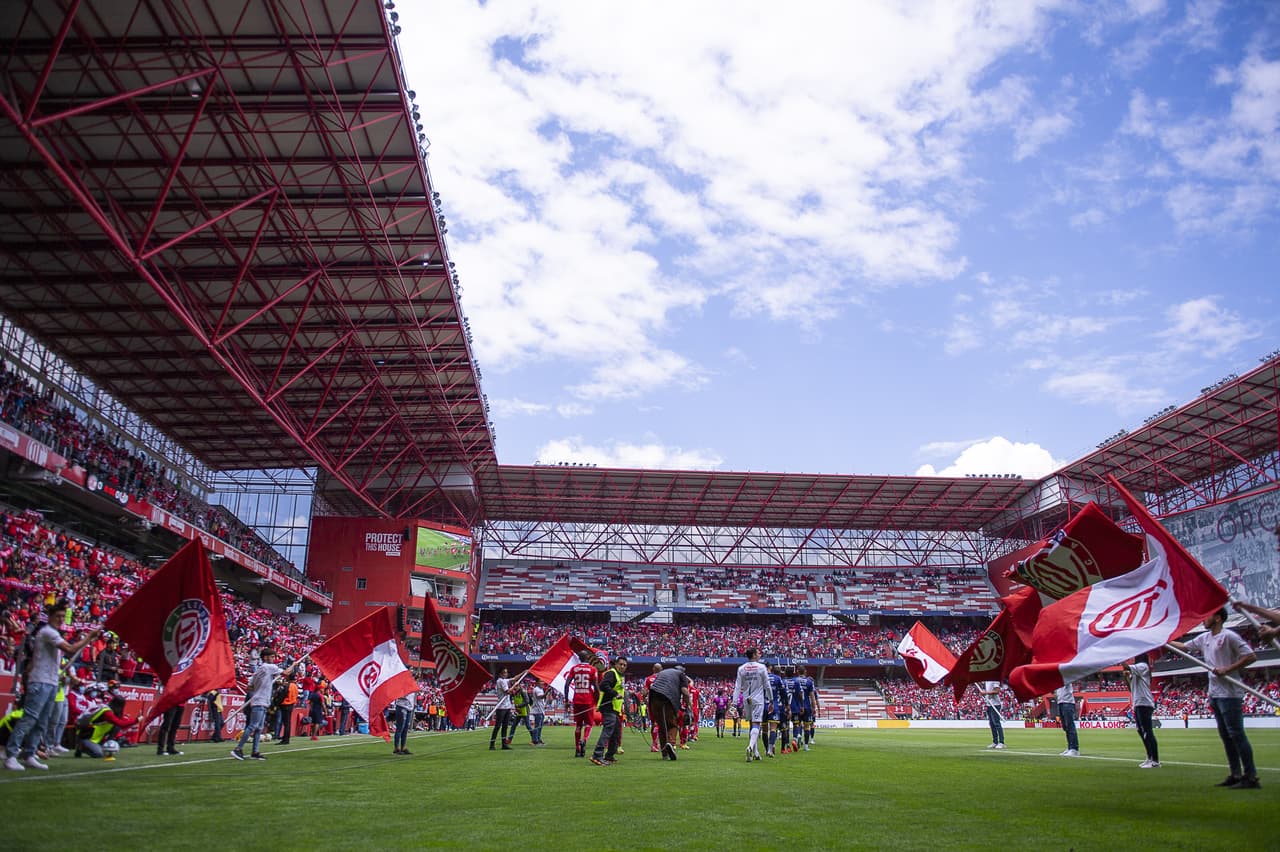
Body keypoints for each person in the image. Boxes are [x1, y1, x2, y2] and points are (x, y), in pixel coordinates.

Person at [5, 600, 102, 772]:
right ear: (49, 617)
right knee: (29, 719)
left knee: (42, 722)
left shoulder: (53, 633)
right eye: (57, 616)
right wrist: (88, 637)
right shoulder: (48, 632)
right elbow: (70, 649)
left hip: (51, 682)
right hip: (40, 681)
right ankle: (11, 754)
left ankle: (29, 754)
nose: (61, 619)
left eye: (63, 616)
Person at [1169, 607, 1259, 788]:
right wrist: (1165, 641)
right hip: (1215, 693)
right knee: (1226, 736)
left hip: (1230, 693)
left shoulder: (1229, 637)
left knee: (1236, 734)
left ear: (1218, 618)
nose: (1204, 619)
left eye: (1208, 615)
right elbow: (1185, 647)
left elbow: (1251, 656)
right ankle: (1235, 774)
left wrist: (1227, 669)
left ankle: (1250, 776)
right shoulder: (1204, 638)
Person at [232, 650, 300, 761]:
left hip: (259, 700)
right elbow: (286, 673)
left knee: (259, 728)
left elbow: (250, 687)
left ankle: (255, 751)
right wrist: (293, 664)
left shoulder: (259, 670)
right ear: (265, 657)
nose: (273, 658)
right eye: (272, 656)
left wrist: (265, 684)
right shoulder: (269, 667)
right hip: (260, 701)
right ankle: (238, 749)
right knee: (253, 726)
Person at [590, 656, 628, 766]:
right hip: (608, 707)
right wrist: (615, 694)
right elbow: (603, 685)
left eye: (624, 665)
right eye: (620, 664)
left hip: (615, 708)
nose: (622, 666)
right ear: (616, 664)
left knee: (616, 732)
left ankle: (609, 756)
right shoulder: (611, 673)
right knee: (608, 731)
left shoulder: (620, 676)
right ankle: (597, 755)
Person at [1122, 653, 1159, 768]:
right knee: (1141, 730)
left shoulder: (1143, 666)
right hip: (1138, 702)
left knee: (1147, 731)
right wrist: (1126, 678)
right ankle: (1150, 757)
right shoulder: (1138, 670)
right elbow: (1131, 689)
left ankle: (1154, 760)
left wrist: (1120, 658)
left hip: (1144, 702)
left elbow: (1126, 667)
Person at [647, 664, 691, 760]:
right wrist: (688, 707)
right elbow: (685, 692)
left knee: (662, 726)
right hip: (667, 698)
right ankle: (671, 744)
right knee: (672, 724)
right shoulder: (681, 675)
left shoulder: (663, 672)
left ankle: (664, 754)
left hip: (653, 698)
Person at [733, 647, 768, 762]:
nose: (760, 654)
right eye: (758, 653)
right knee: (756, 724)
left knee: (752, 725)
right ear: (753, 655)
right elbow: (767, 685)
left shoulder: (741, 668)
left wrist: (734, 702)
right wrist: (771, 699)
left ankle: (756, 753)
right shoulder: (761, 667)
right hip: (758, 699)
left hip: (746, 699)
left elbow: (738, 687)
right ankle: (750, 747)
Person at [75, 694, 136, 760]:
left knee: (116, 727)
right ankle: (81, 747)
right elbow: (121, 723)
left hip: (93, 736)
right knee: (99, 754)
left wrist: (131, 720)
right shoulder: (107, 712)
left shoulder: (106, 708)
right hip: (85, 737)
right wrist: (136, 720)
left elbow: (121, 722)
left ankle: (105, 744)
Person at [567, 657, 599, 758]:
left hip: (577, 699)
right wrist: (597, 700)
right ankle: (584, 740)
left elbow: (567, 684)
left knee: (578, 725)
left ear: (579, 658)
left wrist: (566, 700)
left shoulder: (574, 669)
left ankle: (577, 749)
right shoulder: (592, 669)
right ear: (588, 658)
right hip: (588, 699)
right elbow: (596, 686)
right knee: (589, 723)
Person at [488, 667, 515, 751]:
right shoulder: (500, 681)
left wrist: (524, 673)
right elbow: (508, 691)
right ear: (500, 674)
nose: (505, 674)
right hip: (501, 707)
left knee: (505, 726)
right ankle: (492, 744)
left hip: (507, 706)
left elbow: (514, 678)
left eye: (506, 672)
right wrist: (514, 686)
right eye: (504, 672)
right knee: (498, 726)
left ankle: (504, 744)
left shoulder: (505, 680)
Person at [1055, 681, 1079, 757]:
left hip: (1068, 702)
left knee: (1070, 726)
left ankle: (1074, 748)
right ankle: (1070, 747)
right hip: (1060, 702)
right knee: (1066, 727)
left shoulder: (1065, 678)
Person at [979, 681, 1006, 750]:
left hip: (995, 704)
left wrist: (986, 693)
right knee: (992, 724)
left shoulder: (994, 680)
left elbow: (997, 691)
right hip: (989, 704)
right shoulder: (987, 681)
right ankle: (995, 742)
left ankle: (1001, 742)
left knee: (996, 723)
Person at [392, 690, 414, 755]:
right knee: (400, 727)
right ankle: (396, 748)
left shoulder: (412, 686)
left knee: (406, 728)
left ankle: (403, 747)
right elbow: (397, 695)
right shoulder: (402, 686)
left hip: (409, 707)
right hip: (402, 706)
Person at [527, 681, 546, 746]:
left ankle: (538, 739)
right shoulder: (537, 689)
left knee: (539, 727)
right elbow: (540, 697)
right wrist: (547, 692)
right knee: (537, 726)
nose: (543, 683)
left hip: (541, 710)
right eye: (541, 681)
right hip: (538, 710)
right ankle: (535, 740)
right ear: (537, 683)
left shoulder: (540, 689)